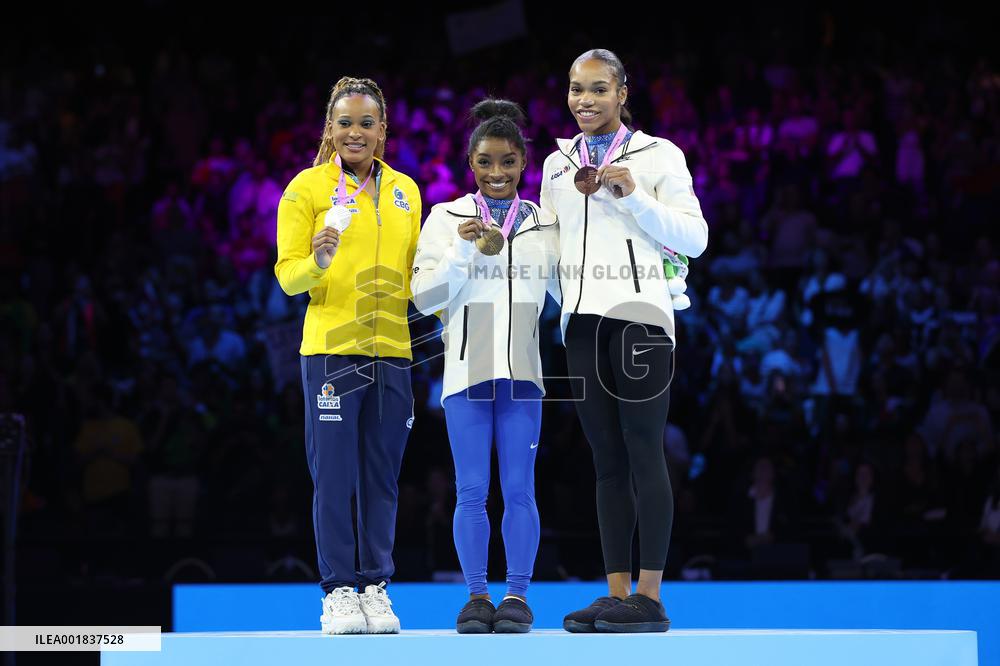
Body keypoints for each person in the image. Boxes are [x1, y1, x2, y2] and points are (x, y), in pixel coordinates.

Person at [540, 49, 708, 633]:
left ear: (622, 92)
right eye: (575, 89)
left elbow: (695, 236)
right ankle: (617, 595)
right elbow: (551, 245)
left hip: (639, 319)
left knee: (643, 452)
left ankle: (652, 597)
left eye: (597, 89)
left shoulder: (660, 155)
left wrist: (635, 195)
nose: (584, 100)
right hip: (581, 326)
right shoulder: (555, 165)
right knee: (606, 462)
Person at [274, 76, 422, 635]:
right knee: (334, 476)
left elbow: (415, 276)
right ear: (329, 130)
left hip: (393, 353)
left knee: (382, 477)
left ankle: (375, 586)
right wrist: (317, 260)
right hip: (333, 350)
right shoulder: (306, 189)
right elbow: (289, 277)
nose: (355, 132)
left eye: (367, 123)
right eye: (345, 123)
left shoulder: (407, 191)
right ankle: (338, 591)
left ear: (382, 130)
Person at [411, 99, 560, 634]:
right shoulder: (445, 217)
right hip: (465, 372)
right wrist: (464, 252)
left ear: (524, 163)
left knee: (520, 490)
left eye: (508, 162)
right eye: (485, 163)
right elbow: (424, 295)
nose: (497, 173)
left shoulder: (546, 222)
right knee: (471, 490)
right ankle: (476, 595)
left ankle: (517, 596)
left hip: (524, 376)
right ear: (470, 164)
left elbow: (569, 292)